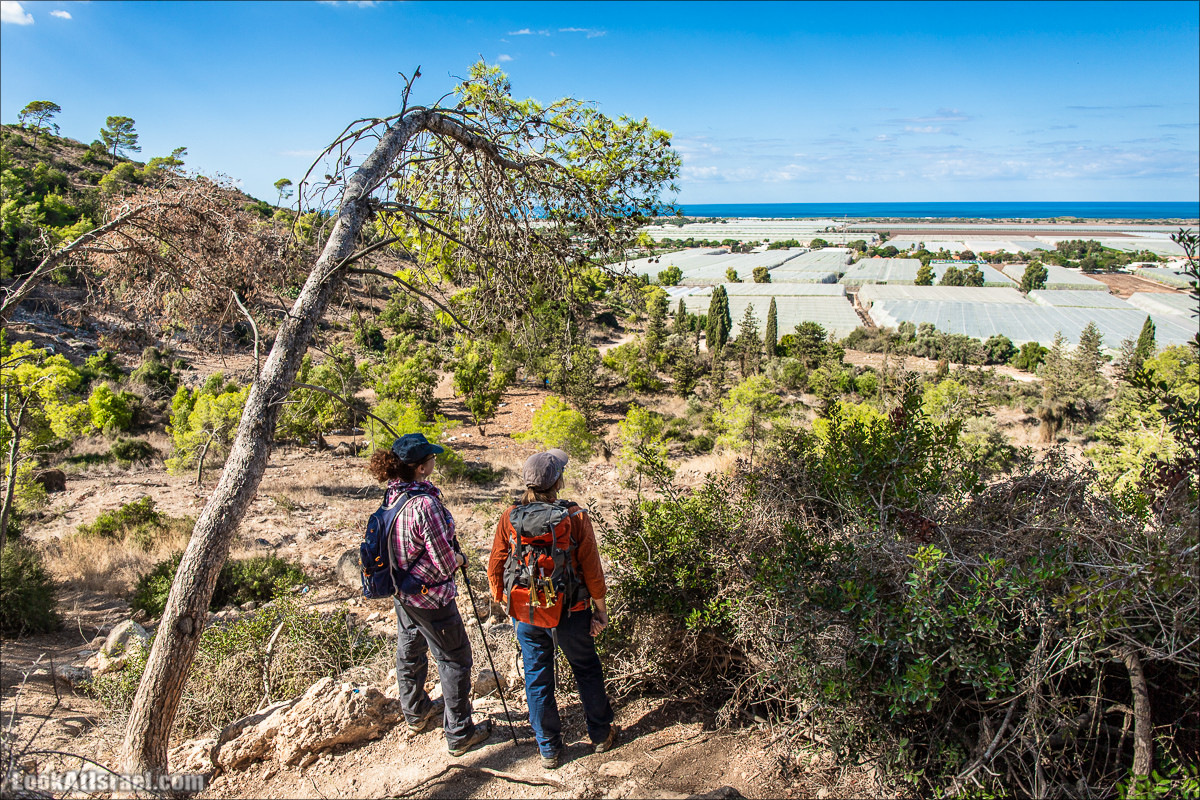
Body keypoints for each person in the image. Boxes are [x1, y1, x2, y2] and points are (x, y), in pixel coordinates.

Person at [487, 448, 619, 769]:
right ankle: (600, 735)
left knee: (537, 676)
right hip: (571, 611)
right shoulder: (575, 517)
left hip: (528, 611)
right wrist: (600, 611)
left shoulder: (510, 517)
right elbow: (592, 571)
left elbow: (496, 566)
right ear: (558, 481)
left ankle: (548, 748)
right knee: (586, 668)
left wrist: (506, 602)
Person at [365, 433, 491, 757]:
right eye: (431, 458)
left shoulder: (391, 496)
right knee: (455, 658)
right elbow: (446, 562)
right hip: (431, 598)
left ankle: (416, 713)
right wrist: (461, 559)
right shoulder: (425, 504)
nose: (436, 460)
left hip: (402, 593)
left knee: (410, 648)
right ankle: (460, 733)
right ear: (421, 468)